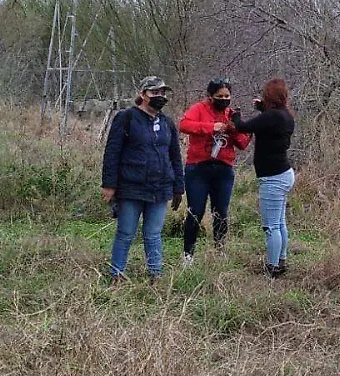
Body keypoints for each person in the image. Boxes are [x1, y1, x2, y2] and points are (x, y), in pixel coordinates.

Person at [101, 76, 184, 283]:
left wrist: (178, 187)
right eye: (155, 92)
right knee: (126, 233)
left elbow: (175, 155)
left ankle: (155, 275)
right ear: (143, 95)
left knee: (153, 234)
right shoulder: (126, 118)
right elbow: (112, 153)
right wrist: (109, 185)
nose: (160, 97)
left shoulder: (167, 123)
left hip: (160, 187)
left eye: (163, 93)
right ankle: (116, 275)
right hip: (132, 187)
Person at [177, 79, 251, 263]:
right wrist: (210, 127)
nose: (224, 99)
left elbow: (243, 143)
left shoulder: (231, 114)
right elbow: (184, 125)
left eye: (227, 96)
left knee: (221, 211)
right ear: (210, 96)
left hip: (223, 169)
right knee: (196, 210)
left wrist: (236, 128)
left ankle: (219, 250)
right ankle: (188, 254)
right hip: (198, 167)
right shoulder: (199, 109)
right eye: (220, 96)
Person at [228, 78, 296, 277]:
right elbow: (267, 123)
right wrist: (262, 110)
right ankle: (281, 260)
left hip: (273, 178)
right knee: (280, 222)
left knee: (271, 226)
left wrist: (236, 114)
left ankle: (272, 267)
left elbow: (242, 127)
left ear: (269, 97)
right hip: (284, 174)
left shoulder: (271, 117)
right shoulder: (285, 116)